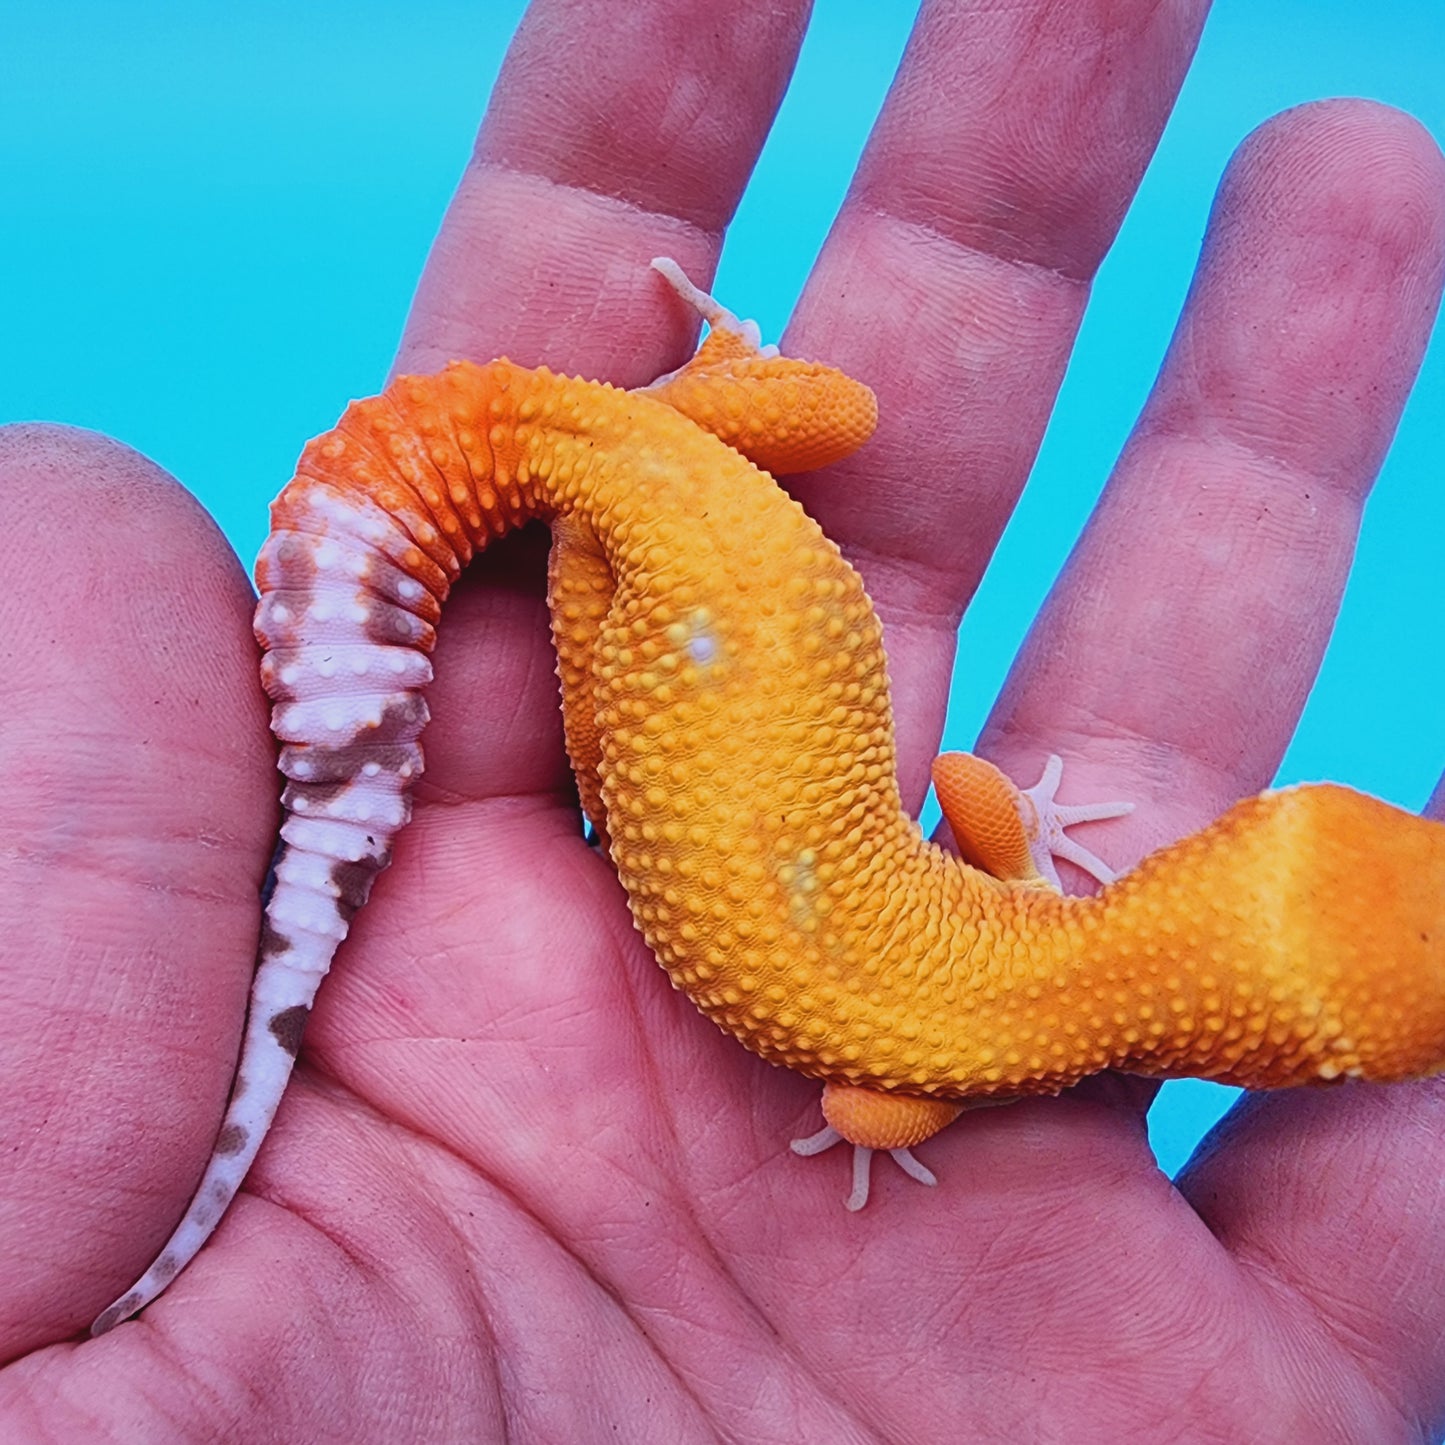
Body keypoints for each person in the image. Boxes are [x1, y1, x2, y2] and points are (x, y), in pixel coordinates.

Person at [4, 1, 1443, 1438]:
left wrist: (1026, 836)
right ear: (1234, 1051)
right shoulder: (961, 1071)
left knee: (833, 411)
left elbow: (970, 784)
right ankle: (599, 509)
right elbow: (870, 1110)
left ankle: (683, 409)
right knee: (605, 590)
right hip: (630, 573)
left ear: (1245, 845)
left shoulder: (1040, 925)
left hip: (687, 497)